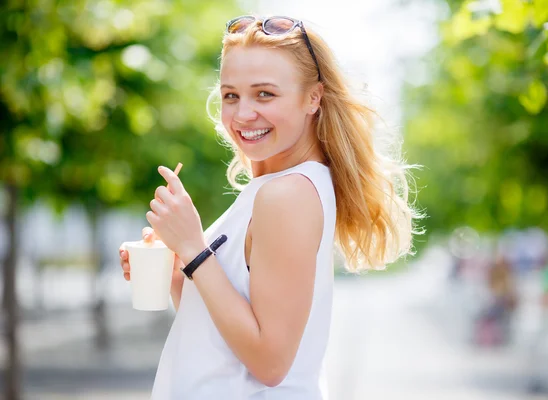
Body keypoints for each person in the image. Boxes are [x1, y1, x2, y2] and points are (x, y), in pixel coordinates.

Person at [119, 15, 417, 399]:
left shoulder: (288, 195)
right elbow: (224, 338)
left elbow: (270, 362)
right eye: (231, 95)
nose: (243, 114)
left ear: (314, 97)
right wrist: (179, 271)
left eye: (265, 94)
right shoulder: (274, 189)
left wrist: (194, 249)